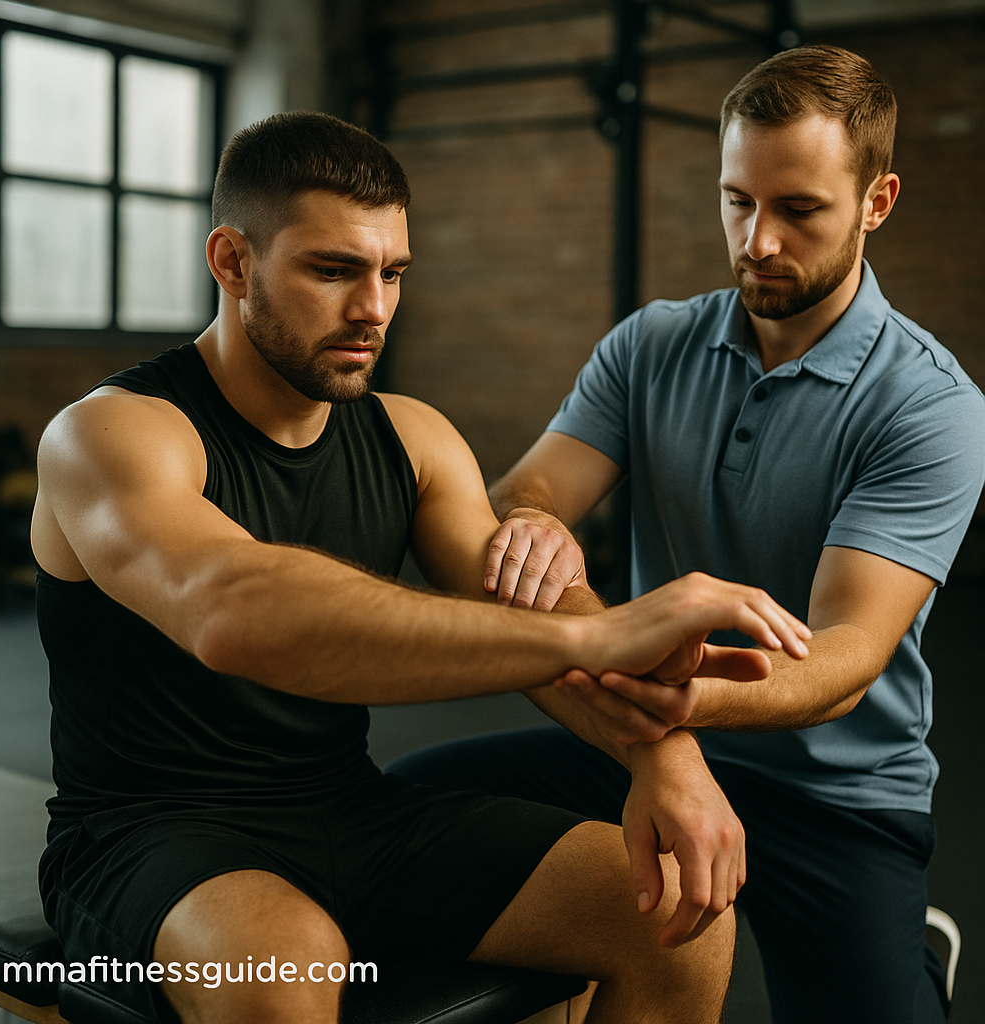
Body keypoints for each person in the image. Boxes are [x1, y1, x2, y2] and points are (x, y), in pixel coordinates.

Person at [30, 111, 812, 1024]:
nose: (374, 309)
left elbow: (534, 601)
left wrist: (669, 760)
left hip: (348, 810)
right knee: (283, 971)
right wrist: (605, 632)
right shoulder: (114, 432)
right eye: (333, 271)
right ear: (233, 262)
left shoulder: (413, 436)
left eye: (392, 273)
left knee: (678, 914)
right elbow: (234, 612)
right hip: (146, 833)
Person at [388, 45, 985, 1023]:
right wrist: (534, 523)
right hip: (645, 743)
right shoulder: (650, 345)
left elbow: (839, 657)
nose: (755, 241)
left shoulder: (929, 406)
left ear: (876, 201)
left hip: (835, 793)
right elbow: (522, 493)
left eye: (798, 210)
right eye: (736, 199)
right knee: (400, 812)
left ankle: (910, 953)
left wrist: (652, 692)